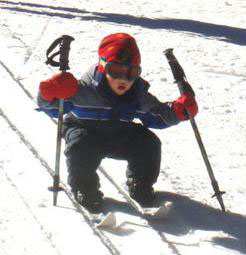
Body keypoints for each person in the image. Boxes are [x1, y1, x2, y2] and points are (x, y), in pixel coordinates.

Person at [38, 33, 198, 213]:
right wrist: (48, 92)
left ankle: (140, 184)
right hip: (84, 132)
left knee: (149, 143)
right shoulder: (81, 90)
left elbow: (157, 117)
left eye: (132, 72)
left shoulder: (137, 96)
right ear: (102, 65)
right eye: (116, 71)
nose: (124, 79)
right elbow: (52, 108)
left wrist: (178, 112)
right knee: (79, 147)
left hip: (119, 134)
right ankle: (84, 188)